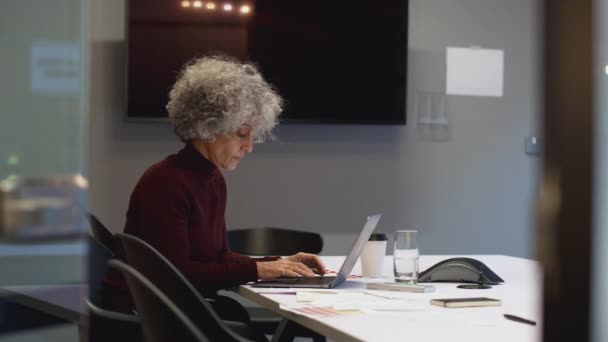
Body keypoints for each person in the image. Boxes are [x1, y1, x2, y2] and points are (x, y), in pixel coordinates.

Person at [101, 55, 325, 312]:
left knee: (234, 314)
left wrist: (280, 263)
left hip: (168, 310)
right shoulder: (165, 182)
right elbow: (175, 273)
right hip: (141, 319)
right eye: (242, 133)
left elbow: (217, 258)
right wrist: (259, 269)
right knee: (235, 317)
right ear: (208, 126)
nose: (249, 146)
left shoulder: (212, 179)